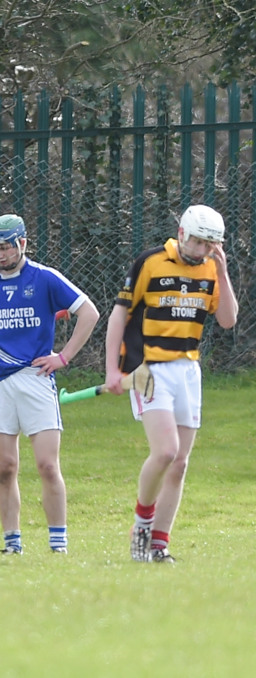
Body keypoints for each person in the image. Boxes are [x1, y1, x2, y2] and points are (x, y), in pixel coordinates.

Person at [0, 214, 99, 555]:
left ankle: (58, 545)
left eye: (5, 247)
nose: (0, 255)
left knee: (47, 465)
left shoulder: (45, 278)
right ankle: (12, 544)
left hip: (37, 380)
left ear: (22, 243)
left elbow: (89, 313)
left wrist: (63, 358)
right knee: (5, 467)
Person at [104, 205, 237, 563]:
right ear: (181, 233)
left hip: (187, 372)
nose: (201, 249)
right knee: (164, 451)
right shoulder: (150, 262)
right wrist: (112, 370)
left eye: (210, 244)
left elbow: (227, 320)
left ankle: (159, 545)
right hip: (149, 370)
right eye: (196, 241)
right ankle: (141, 525)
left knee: (179, 463)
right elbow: (120, 314)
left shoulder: (211, 268)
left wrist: (222, 273)